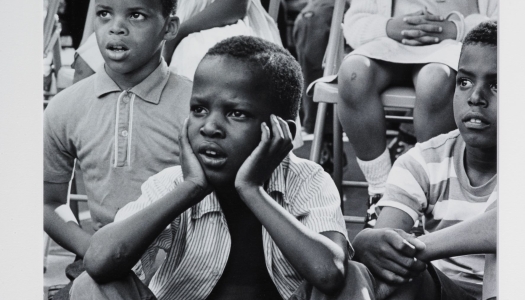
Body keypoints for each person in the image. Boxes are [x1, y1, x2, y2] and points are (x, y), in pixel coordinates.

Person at [68, 36, 362, 300]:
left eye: (236, 113)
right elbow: (99, 260)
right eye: (199, 109)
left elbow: (329, 273)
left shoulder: (307, 181)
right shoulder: (173, 184)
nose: (209, 127)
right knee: (90, 286)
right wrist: (190, 189)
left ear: (282, 132)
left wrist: (252, 191)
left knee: (355, 276)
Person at [43, 0, 191, 298]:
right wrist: (92, 248)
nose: (116, 27)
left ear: (169, 27)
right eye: (104, 14)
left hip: (185, 268)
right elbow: (49, 201)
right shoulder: (66, 106)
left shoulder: (196, 106)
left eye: (136, 15)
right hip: (104, 268)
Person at [352, 21, 497, 300]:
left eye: (496, 84)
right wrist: (370, 242)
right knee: (393, 274)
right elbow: (384, 248)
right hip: (447, 291)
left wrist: (418, 248)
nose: (476, 98)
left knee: (504, 252)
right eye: (464, 82)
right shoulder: (424, 159)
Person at [336, 0, 498, 227]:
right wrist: (389, 26)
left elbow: (505, 19)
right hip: (387, 42)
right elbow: (354, 22)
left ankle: (425, 191)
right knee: (353, 74)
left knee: (436, 79)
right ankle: (382, 193)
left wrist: (456, 28)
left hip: (454, 44)